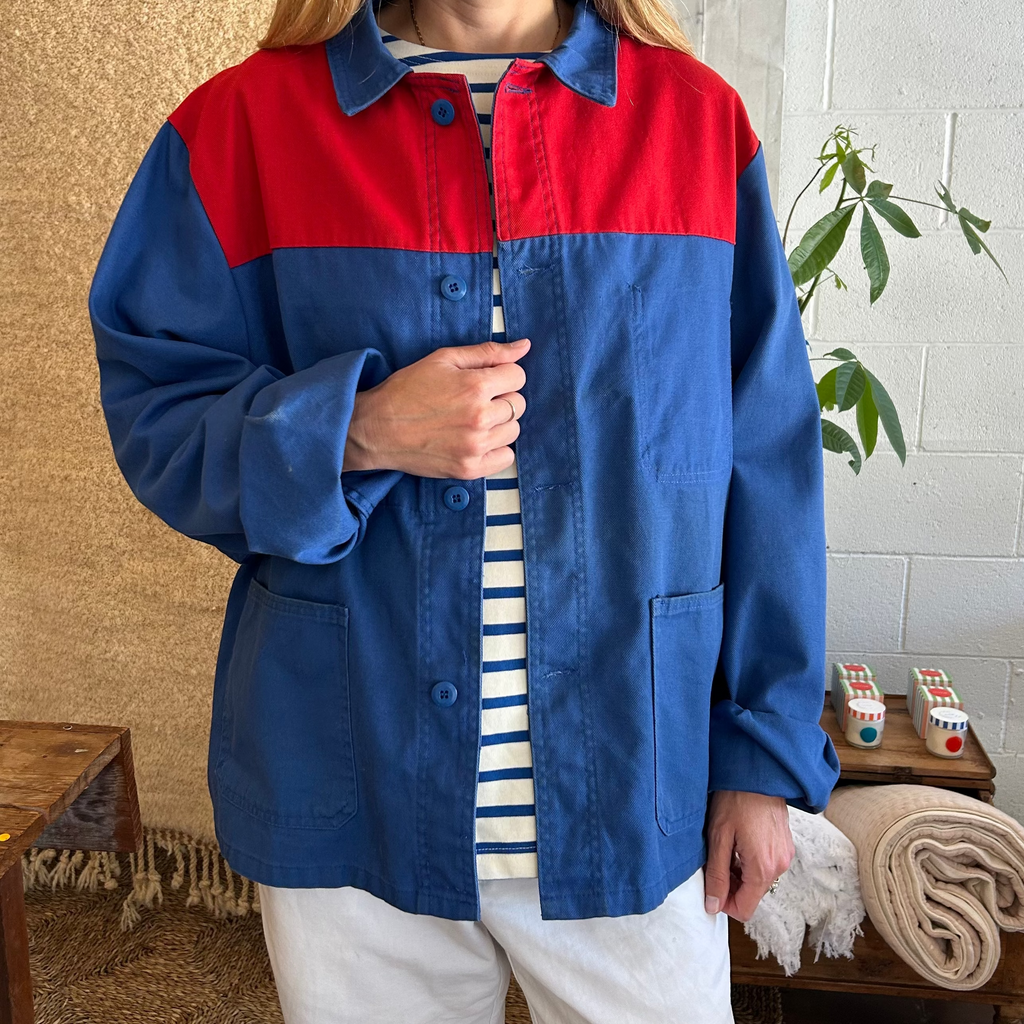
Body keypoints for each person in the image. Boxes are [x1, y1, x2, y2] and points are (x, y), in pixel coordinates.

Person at [87, 0, 841, 1017]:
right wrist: (359, 428)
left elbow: (767, 458)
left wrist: (758, 755)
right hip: (352, 796)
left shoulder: (695, 125)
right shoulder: (242, 129)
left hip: (631, 790)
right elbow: (158, 415)